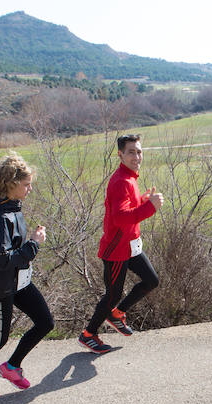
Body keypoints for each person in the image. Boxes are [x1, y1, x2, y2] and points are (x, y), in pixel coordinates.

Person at [0, 153, 54, 402]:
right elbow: (1, 259)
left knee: (45, 322)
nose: (30, 188)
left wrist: (28, 242)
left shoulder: (8, 208)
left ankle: (11, 367)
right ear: (11, 184)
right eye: (26, 184)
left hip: (19, 282)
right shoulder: (1, 217)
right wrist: (34, 244)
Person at [79, 134, 164, 352]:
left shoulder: (130, 178)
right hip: (117, 249)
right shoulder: (121, 181)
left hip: (131, 244)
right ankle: (89, 333)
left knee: (151, 280)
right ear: (120, 154)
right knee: (113, 294)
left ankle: (117, 314)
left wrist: (141, 202)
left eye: (139, 151)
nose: (137, 156)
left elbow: (126, 210)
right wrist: (150, 208)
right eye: (131, 152)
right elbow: (120, 218)